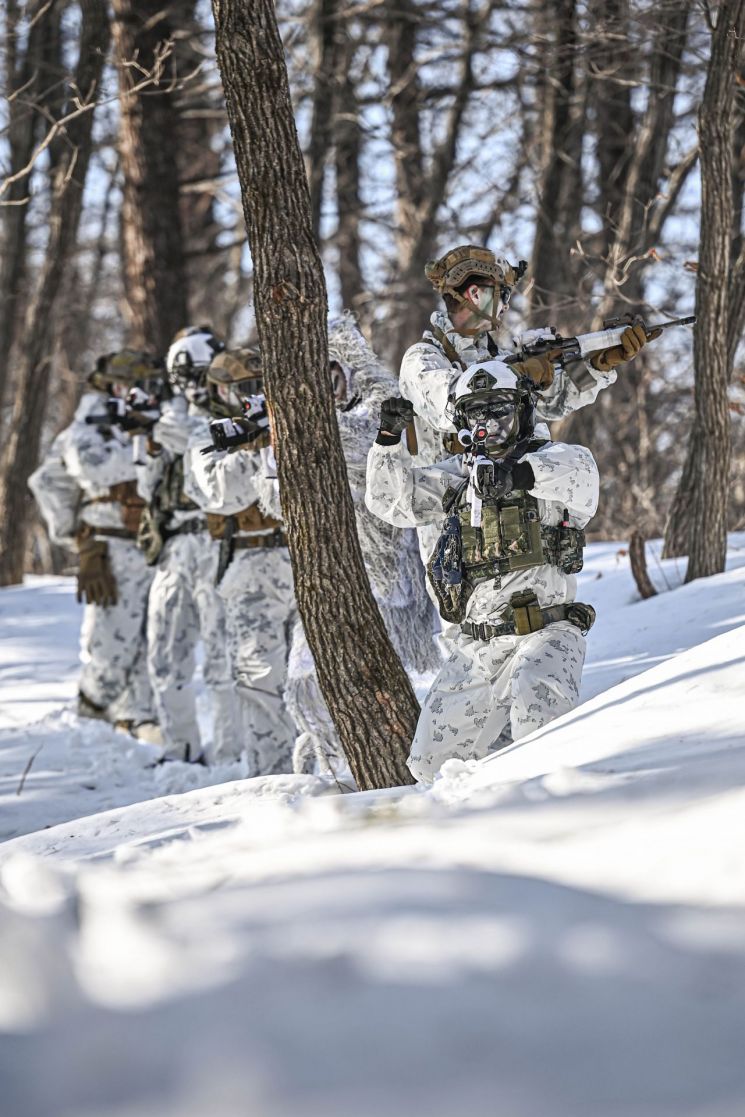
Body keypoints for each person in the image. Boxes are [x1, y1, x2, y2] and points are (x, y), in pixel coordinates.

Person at [365, 359, 599, 784]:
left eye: (498, 410)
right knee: (431, 766)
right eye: (476, 413)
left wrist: (517, 475)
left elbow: (582, 479)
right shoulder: (461, 477)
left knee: (540, 723)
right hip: (478, 645)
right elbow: (393, 504)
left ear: (522, 411)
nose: (487, 424)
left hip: (545, 633)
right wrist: (387, 441)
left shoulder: (556, 462)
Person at [255, 313, 440, 779]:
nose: (319, 387)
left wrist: (296, 430)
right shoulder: (313, 427)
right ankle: (329, 778)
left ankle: (388, 781)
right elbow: (277, 501)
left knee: (382, 689)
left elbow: (360, 448)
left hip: (387, 583)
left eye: (327, 373)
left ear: (347, 369)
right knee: (303, 687)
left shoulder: (385, 408)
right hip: (328, 578)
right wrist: (271, 449)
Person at [399, 245, 650, 581]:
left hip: (513, 513)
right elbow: (454, 406)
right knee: (467, 628)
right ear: (474, 293)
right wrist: (519, 373)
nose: (505, 305)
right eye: (501, 294)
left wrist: (597, 365)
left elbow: (549, 403)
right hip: (455, 524)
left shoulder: (499, 355)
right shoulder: (423, 360)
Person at [29, 350, 161, 738]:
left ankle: (136, 718)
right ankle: (90, 721)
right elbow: (55, 479)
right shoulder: (90, 426)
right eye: (134, 384)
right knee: (112, 642)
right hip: (111, 547)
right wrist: (74, 535)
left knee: (149, 639)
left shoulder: (143, 421)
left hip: (150, 545)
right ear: (114, 386)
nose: (141, 392)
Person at [182, 347, 297, 774]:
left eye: (259, 387)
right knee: (260, 679)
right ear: (220, 392)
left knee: (311, 676)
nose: (254, 396)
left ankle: (323, 777)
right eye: (244, 389)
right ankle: (274, 779)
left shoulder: (287, 425)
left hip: (301, 560)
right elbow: (222, 493)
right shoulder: (205, 437)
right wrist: (255, 446)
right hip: (249, 566)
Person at [136, 326, 238, 763]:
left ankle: (231, 751)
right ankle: (179, 748)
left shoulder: (227, 412)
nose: (191, 386)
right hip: (175, 544)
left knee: (222, 653)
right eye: (184, 376)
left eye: (197, 374)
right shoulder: (166, 419)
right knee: (164, 649)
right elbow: (146, 487)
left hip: (216, 541)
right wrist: (152, 443)